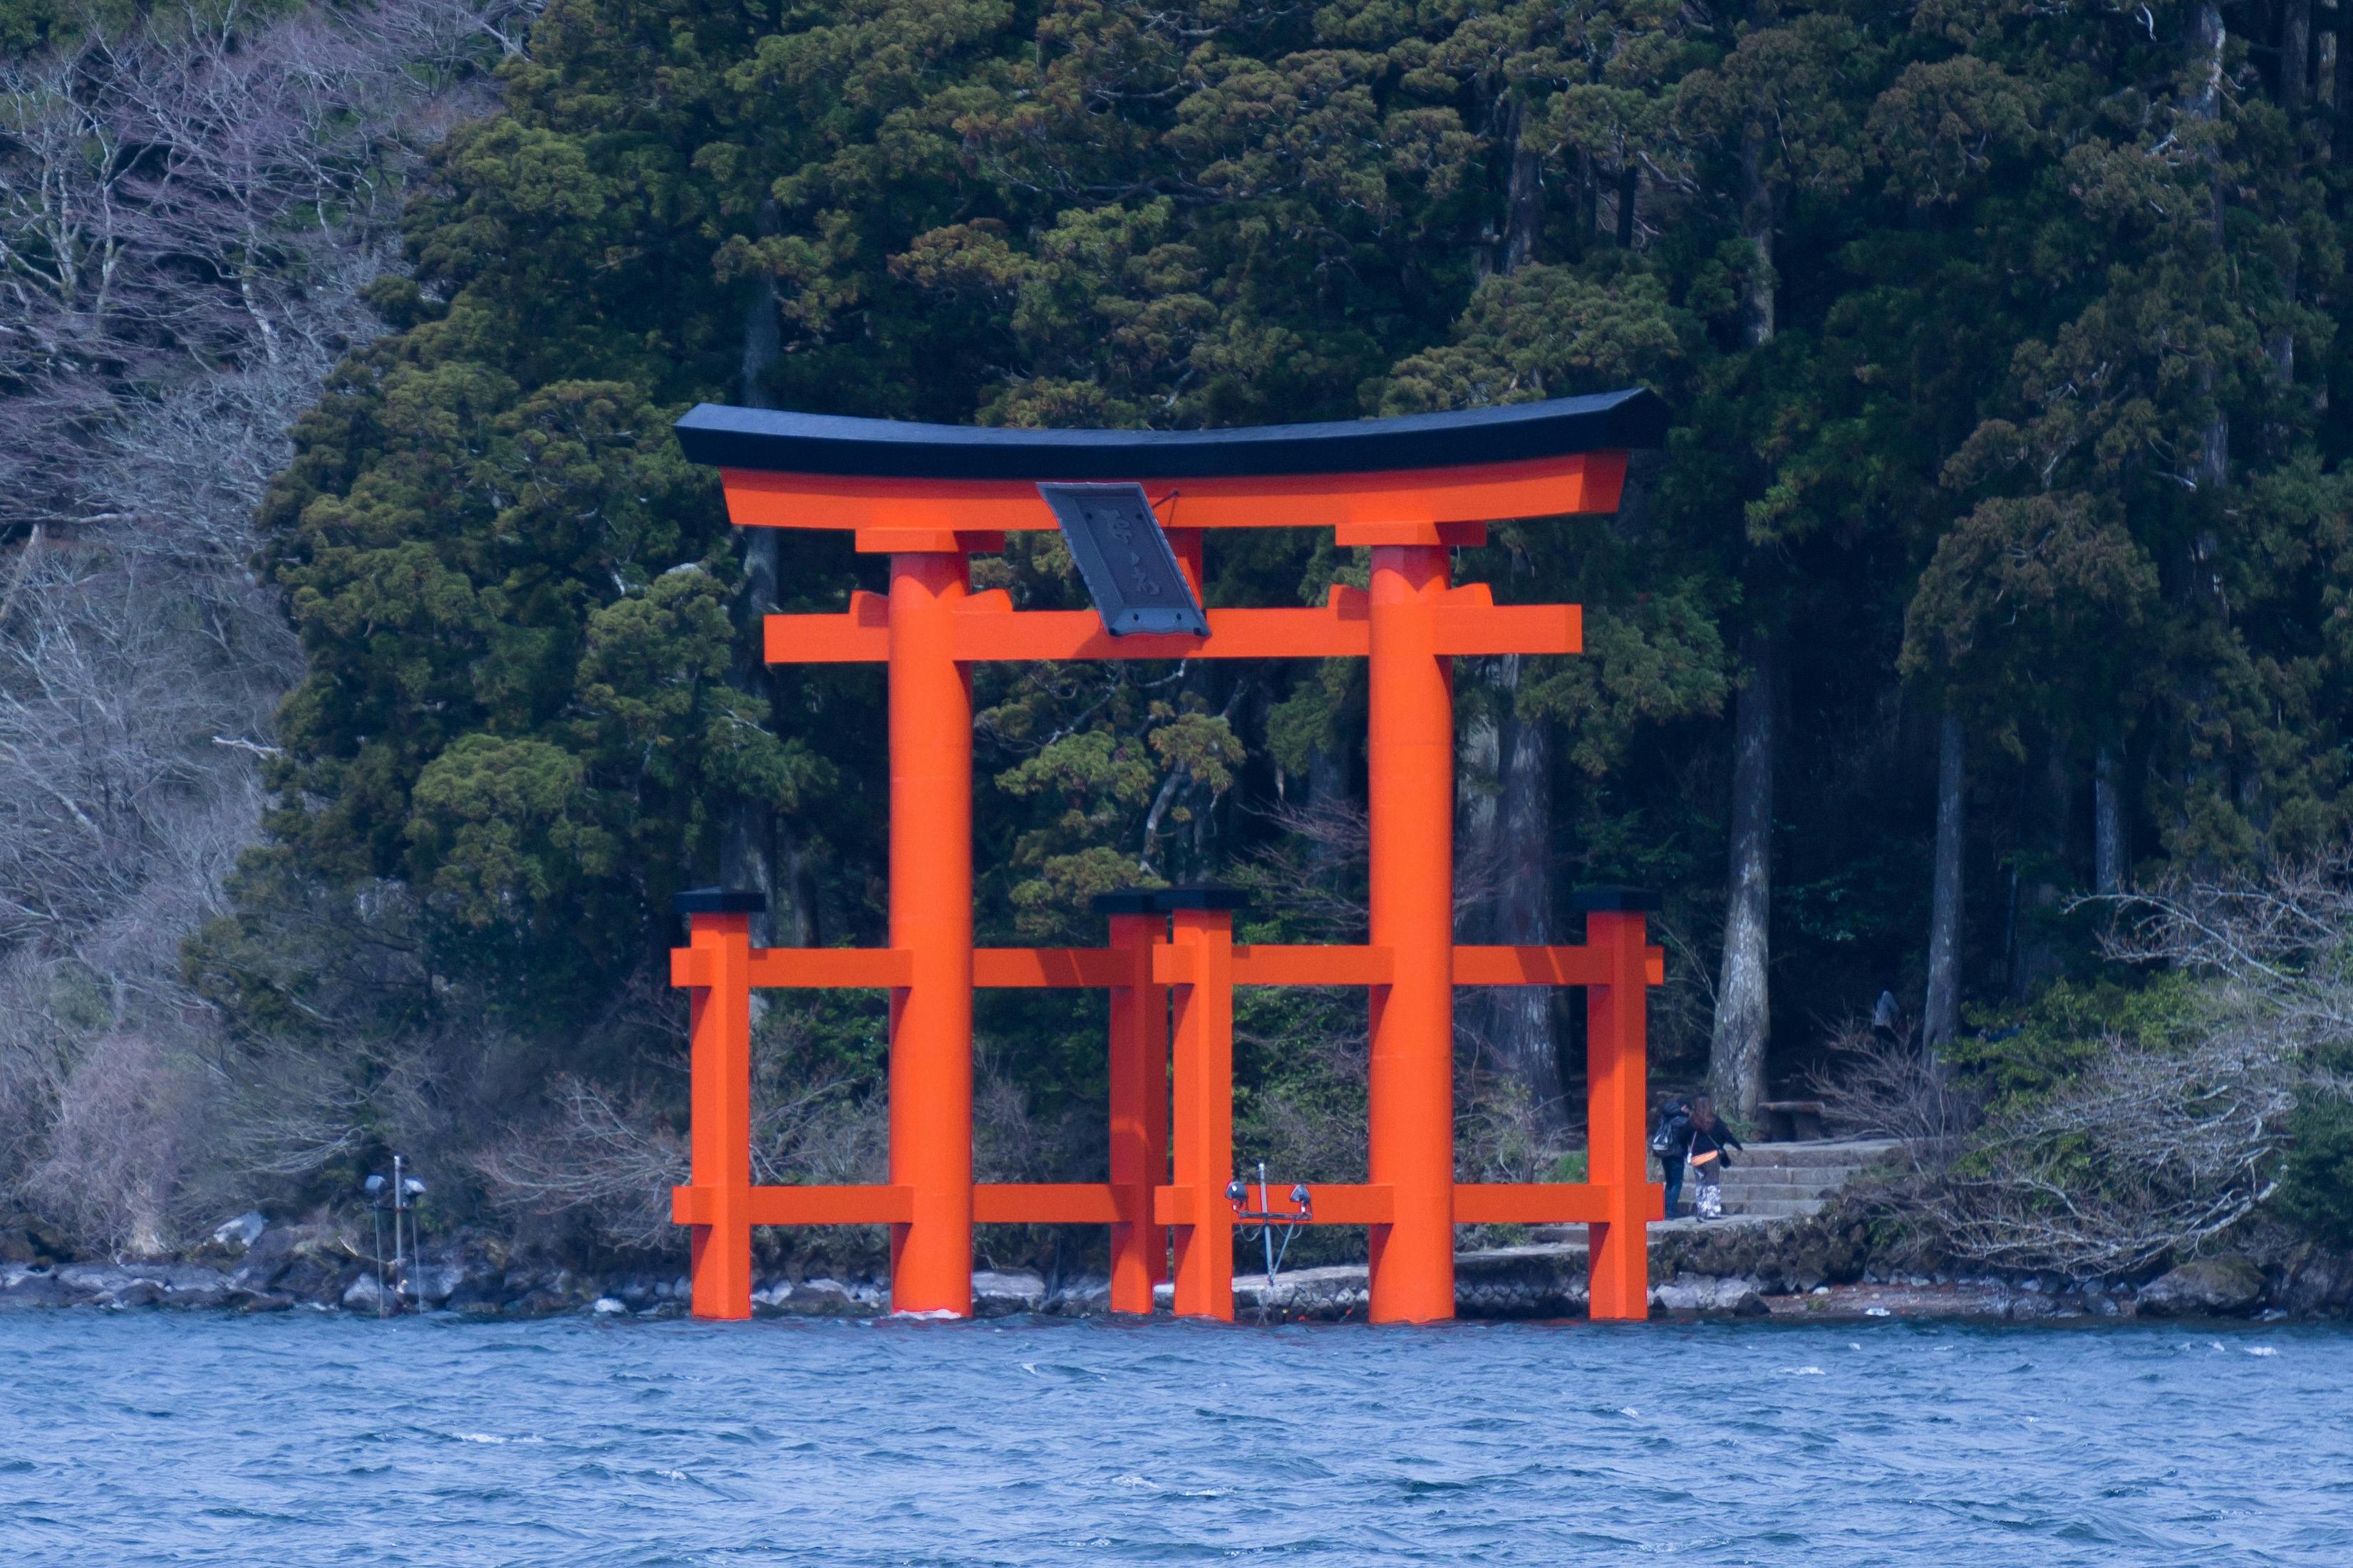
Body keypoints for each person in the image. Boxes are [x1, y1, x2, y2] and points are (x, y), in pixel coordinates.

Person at [1683, 1095, 1744, 1220]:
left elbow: (1682, 1137)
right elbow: (1727, 1135)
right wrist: (1738, 1146)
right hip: (1712, 1157)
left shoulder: (1692, 1122)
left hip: (1697, 1159)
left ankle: (1702, 1210)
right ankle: (1713, 1211)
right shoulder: (1715, 1121)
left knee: (1700, 1184)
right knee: (1712, 1183)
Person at [1649, 1097, 1694, 1218]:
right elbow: (1687, 1139)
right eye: (1689, 1110)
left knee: (1669, 1182)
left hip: (1664, 1153)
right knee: (1677, 1182)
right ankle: (1671, 1210)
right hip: (1676, 1154)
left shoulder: (1666, 1116)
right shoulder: (1682, 1120)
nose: (1689, 1112)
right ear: (1684, 1107)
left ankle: (1665, 1209)